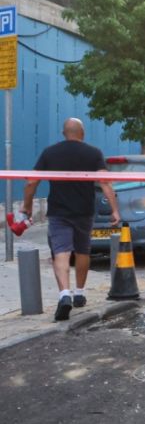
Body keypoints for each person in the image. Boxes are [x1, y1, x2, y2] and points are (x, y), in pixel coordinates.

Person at [21, 118, 120, 321]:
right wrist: (114, 210)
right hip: (84, 211)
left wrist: (27, 206)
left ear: (64, 133)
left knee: (61, 252)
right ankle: (79, 292)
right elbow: (105, 183)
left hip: (59, 211)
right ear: (82, 133)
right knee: (83, 250)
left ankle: (64, 294)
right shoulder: (93, 153)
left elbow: (31, 182)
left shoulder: (50, 152)